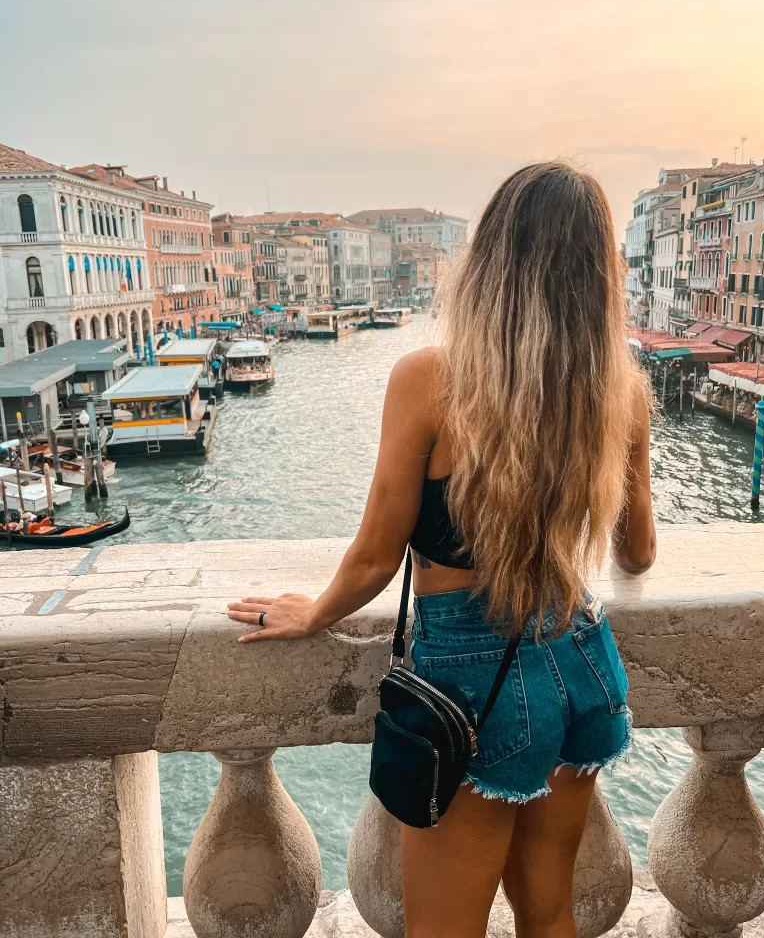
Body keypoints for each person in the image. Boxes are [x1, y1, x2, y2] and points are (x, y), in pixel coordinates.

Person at [227, 162, 656, 938]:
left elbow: (375, 556)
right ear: (601, 276)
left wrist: (314, 612)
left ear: (488, 262)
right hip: (585, 660)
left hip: (474, 682)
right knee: (551, 912)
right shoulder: (621, 390)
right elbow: (637, 555)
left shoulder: (429, 380)